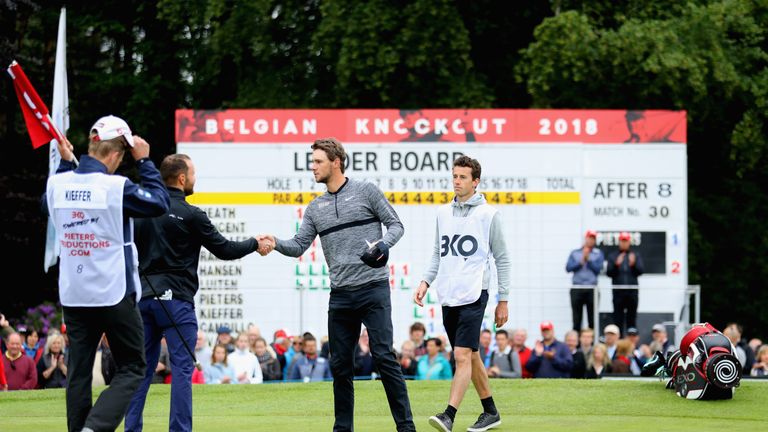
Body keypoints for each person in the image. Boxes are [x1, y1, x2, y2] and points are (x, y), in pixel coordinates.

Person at [258, 138, 415, 432]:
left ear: (336, 162)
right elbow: (299, 245)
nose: (312, 167)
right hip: (341, 295)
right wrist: (276, 243)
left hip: (373, 289)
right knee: (341, 367)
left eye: (318, 161)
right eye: (312, 161)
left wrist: (383, 244)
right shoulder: (316, 207)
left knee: (383, 357)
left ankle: (406, 428)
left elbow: (396, 225)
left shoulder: (366, 191)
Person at [44, 116, 170, 432]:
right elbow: (159, 202)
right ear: (115, 154)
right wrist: (145, 162)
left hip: (74, 293)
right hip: (113, 291)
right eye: (124, 155)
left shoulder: (58, 182)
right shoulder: (116, 187)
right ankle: (96, 427)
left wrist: (63, 164)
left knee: (79, 372)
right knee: (133, 366)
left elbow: (48, 204)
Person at [125, 153, 265, 432]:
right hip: (176, 303)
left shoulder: (139, 212)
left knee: (139, 370)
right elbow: (225, 249)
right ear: (181, 178)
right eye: (192, 173)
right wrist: (254, 243)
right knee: (181, 370)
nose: (194, 178)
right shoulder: (191, 214)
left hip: (143, 300)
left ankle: (131, 429)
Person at [414, 155, 510, 432]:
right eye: (455, 176)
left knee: (461, 355)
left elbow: (502, 259)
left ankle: (449, 415)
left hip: (474, 293)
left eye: (463, 177)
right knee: (472, 355)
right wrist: (425, 281)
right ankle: (490, 412)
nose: (457, 181)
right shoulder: (442, 213)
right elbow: (438, 252)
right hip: (449, 294)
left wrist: (503, 299)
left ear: (475, 181)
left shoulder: (489, 215)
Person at [606, 231, 644, 335]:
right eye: (622, 241)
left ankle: (631, 345)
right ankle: (618, 344)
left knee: (631, 319)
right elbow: (609, 273)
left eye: (626, 241)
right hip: (618, 292)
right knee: (618, 319)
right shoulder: (613, 256)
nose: (624, 243)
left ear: (629, 242)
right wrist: (616, 264)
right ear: (619, 242)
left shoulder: (635, 254)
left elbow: (640, 271)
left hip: (632, 292)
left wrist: (633, 264)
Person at [566, 230, 604, 331]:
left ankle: (592, 344)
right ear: (585, 238)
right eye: (589, 238)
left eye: (593, 239)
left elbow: (598, 270)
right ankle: (576, 344)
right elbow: (568, 268)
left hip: (592, 289)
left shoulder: (598, 253)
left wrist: (589, 260)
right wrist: (581, 261)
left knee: (592, 320)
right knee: (576, 319)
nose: (591, 240)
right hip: (577, 288)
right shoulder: (575, 253)